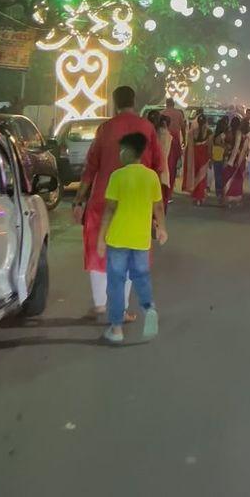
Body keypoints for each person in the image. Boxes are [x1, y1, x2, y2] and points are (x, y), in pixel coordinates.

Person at [74, 85, 163, 319]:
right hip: (136, 200)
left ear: (114, 103)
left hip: (102, 198)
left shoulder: (105, 129)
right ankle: (121, 308)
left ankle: (100, 303)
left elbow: (90, 167)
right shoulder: (147, 128)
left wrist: (78, 200)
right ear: (134, 101)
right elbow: (158, 166)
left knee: (97, 248)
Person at [96, 131, 167, 345]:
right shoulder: (151, 177)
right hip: (140, 239)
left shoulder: (117, 176)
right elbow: (159, 207)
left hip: (118, 239)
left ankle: (116, 328)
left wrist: (101, 238)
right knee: (141, 277)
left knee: (116, 283)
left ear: (129, 152)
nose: (119, 154)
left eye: (121, 150)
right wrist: (162, 228)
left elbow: (109, 210)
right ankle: (149, 307)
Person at [183, 111, 213, 205]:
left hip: (194, 155)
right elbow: (210, 146)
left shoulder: (192, 132)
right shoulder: (209, 132)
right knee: (202, 177)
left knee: (195, 174)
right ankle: (200, 197)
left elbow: (188, 146)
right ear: (205, 122)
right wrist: (210, 158)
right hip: (203, 155)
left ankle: (196, 196)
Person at [147, 110, 173, 208]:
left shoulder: (146, 133)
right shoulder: (166, 135)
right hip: (162, 174)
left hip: (147, 173)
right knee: (159, 205)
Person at [162, 96, 187, 192]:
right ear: (173, 104)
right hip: (175, 142)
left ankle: (164, 186)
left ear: (167, 104)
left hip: (164, 142)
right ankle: (170, 188)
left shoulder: (162, 113)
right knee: (173, 167)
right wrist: (184, 139)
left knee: (165, 165)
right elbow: (183, 128)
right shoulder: (178, 113)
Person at [223, 115, 249, 206]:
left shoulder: (230, 133)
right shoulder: (241, 134)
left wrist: (231, 160)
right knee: (238, 178)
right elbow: (243, 148)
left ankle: (229, 197)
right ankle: (237, 198)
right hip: (239, 159)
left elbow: (234, 147)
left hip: (232, 158)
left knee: (230, 176)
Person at [211, 115, 229, 202]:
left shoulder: (214, 134)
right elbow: (219, 143)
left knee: (217, 174)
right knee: (221, 175)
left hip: (215, 155)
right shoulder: (222, 135)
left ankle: (218, 192)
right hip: (221, 155)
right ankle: (221, 192)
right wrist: (225, 146)